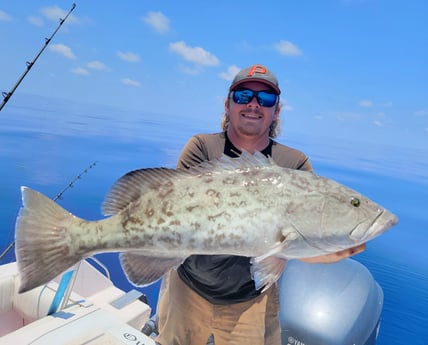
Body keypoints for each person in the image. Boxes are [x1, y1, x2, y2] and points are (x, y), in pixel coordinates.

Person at [155, 64, 366, 345]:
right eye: (244, 95)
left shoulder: (295, 164)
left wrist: (335, 247)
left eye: (265, 99)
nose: (254, 104)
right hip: (187, 287)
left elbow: (299, 241)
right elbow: (170, 212)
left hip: (250, 301)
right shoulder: (202, 147)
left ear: (276, 111)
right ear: (228, 103)